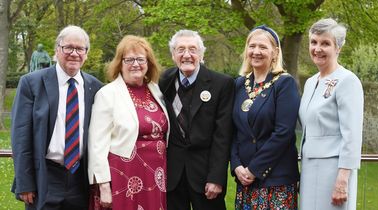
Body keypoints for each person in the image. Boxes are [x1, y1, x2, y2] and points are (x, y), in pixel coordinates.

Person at [11, 25, 103, 209]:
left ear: (86, 53)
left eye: (80, 49)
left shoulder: (96, 88)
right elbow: (21, 137)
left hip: (80, 178)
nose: (74, 53)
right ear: (57, 49)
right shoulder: (32, 83)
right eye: (68, 47)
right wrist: (25, 182)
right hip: (44, 177)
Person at [87, 35, 170, 210]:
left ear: (149, 63)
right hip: (123, 173)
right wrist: (103, 185)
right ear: (120, 63)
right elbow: (97, 144)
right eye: (129, 59)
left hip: (156, 172)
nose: (135, 64)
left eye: (140, 59)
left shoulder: (155, 90)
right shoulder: (107, 94)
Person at [159, 29, 234, 210]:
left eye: (193, 49)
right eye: (181, 50)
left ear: (201, 54)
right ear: (173, 55)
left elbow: (223, 136)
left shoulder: (222, 84)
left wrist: (216, 177)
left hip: (205, 174)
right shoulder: (163, 81)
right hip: (173, 176)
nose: (187, 55)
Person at [230, 25, 300, 209]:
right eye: (252, 46)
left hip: (276, 181)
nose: (256, 52)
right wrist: (236, 165)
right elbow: (233, 131)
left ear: (275, 52)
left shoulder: (285, 83)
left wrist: (254, 169)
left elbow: (283, 133)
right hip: (244, 180)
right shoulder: (239, 84)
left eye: (263, 47)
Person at [299, 18, 364, 210]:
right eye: (314, 42)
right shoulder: (311, 82)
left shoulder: (347, 81)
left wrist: (343, 179)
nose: (318, 48)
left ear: (338, 48)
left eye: (325, 43)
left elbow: (352, 135)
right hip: (309, 167)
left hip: (334, 170)